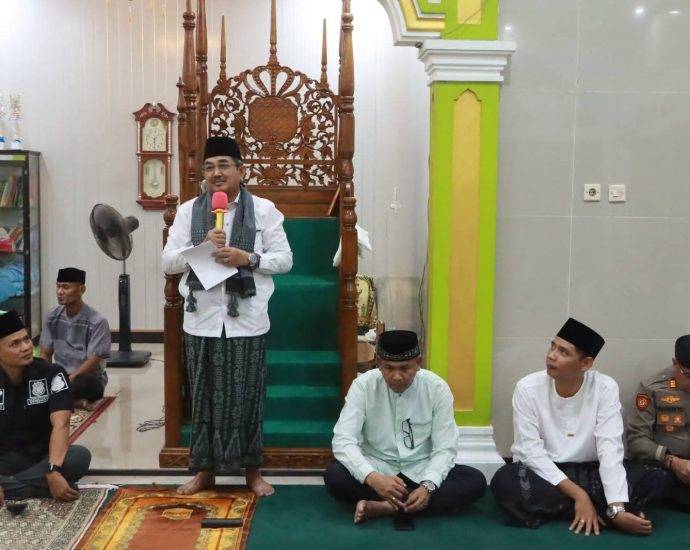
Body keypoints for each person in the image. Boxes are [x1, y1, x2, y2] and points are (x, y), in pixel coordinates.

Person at [162, 136, 292, 497]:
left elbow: (285, 260)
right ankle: (204, 472)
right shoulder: (188, 212)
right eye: (209, 167)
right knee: (203, 397)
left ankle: (252, 472)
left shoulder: (264, 210)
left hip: (246, 318)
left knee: (248, 397)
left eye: (223, 165)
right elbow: (168, 262)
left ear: (241, 170)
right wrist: (201, 247)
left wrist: (248, 259)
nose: (215, 173)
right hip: (201, 319)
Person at [491, 318, 667, 536]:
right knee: (505, 481)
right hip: (546, 473)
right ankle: (597, 510)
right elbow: (530, 452)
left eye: (563, 352)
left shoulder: (605, 388)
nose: (551, 356)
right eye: (552, 346)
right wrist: (580, 495)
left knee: (655, 475)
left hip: (592, 472)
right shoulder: (527, 388)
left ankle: (596, 510)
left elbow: (610, 448)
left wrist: (616, 506)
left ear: (585, 364)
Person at [324, 329, 487, 525]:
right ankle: (411, 505)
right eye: (389, 368)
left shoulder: (437, 388)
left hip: (420, 468)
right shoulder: (363, 386)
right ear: (378, 363)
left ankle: (386, 506)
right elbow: (343, 440)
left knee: (474, 480)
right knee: (335, 476)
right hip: (378, 466)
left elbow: (445, 448)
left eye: (404, 368)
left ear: (418, 363)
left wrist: (428, 486)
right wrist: (373, 478)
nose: (397, 376)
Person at [0, 310, 91, 506]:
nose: (26, 347)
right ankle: (34, 489)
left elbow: (61, 424)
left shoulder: (52, 373)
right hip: (4, 460)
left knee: (80, 456)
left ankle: (12, 487)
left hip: (42, 458)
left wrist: (53, 470)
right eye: (15, 344)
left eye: (26, 339)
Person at [625, 334, 690, 512]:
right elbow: (636, 439)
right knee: (653, 477)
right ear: (675, 363)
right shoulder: (652, 389)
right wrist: (672, 461)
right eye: (688, 375)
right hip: (667, 467)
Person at [39, 267, 111, 409]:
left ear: (82, 289)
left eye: (65, 287)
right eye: (58, 286)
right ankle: (73, 402)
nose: (59, 292)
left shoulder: (97, 321)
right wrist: (43, 376)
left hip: (86, 378)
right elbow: (45, 353)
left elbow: (93, 361)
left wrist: (67, 381)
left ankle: (57, 399)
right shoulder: (52, 316)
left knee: (87, 385)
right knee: (32, 381)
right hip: (60, 376)